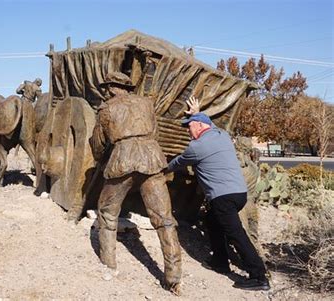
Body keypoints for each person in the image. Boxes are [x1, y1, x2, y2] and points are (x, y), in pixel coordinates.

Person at [90, 71, 182, 295]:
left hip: (122, 160)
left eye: (107, 88)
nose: (105, 91)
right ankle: (174, 277)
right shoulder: (147, 104)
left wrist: (102, 158)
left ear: (112, 88)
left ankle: (109, 263)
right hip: (152, 158)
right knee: (164, 219)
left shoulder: (106, 109)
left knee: (107, 211)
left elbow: (99, 144)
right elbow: (155, 133)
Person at [167, 98, 270, 291]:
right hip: (239, 193)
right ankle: (220, 261)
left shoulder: (197, 147)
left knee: (235, 234)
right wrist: (197, 112)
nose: (188, 131)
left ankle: (259, 276)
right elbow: (209, 124)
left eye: (189, 127)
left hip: (223, 197)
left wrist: (162, 167)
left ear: (198, 126)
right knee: (212, 221)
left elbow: (177, 163)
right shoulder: (222, 135)